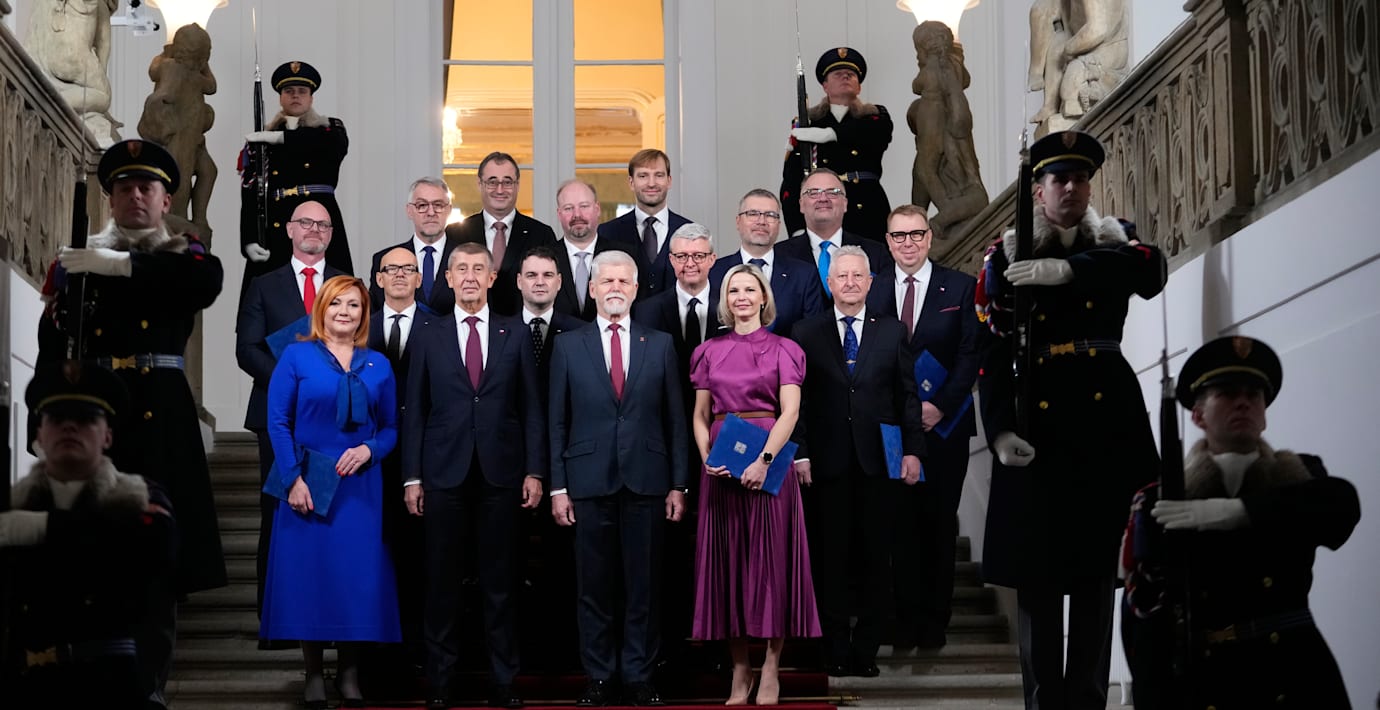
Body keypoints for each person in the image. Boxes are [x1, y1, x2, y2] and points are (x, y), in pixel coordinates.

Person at [974, 130, 1165, 709]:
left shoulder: (1115, 241)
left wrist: (1068, 271)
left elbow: (1150, 271)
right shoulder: (1006, 255)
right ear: (1038, 190)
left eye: (1081, 178)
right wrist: (999, 430)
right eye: (1059, 179)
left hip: (1105, 425)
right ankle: (1042, 702)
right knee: (1037, 581)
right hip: (1038, 422)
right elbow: (992, 353)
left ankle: (1087, 701)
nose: (1072, 188)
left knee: (1095, 579)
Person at [36, 138, 224, 708]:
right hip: (94, 431)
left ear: (166, 201)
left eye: (147, 187)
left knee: (155, 568)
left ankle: (148, 690)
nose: (136, 196)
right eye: (124, 188)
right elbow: (53, 352)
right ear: (111, 199)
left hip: (159, 425)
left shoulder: (184, 255)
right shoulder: (77, 265)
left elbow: (201, 283)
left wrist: (119, 264)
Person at [1121, 336, 1360, 709]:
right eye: (1227, 394)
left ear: (1264, 416)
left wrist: (1238, 511)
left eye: (1254, 395)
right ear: (1198, 415)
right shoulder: (1161, 499)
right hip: (1209, 678)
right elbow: (1143, 617)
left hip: (1293, 672)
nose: (1244, 402)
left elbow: (1341, 507)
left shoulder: (1300, 476)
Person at [402, 243, 546, 710]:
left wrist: (535, 470)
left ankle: (503, 680)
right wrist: (411, 477)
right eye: (460, 269)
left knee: (500, 584)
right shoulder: (427, 334)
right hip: (442, 474)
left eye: (478, 269)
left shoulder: (514, 331)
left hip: (501, 475)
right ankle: (440, 682)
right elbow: (415, 410)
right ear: (448, 278)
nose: (469, 276)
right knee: (441, 583)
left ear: (491, 278)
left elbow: (531, 408)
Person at [548, 250, 689, 707]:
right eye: (606, 281)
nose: (614, 288)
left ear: (635, 289)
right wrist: (558, 486)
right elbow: (557, 421)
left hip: (648, 480)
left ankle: (638, 676)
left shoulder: (660, 343)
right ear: (591, 289)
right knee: (593, 587)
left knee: (643, 586)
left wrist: (678, 484)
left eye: (623, 281)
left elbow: (675, 419)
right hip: (586, 482)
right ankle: (599, 676)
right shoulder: (569, 345)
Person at [1, 362, 176, 710]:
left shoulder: (142, 498)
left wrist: (40, 527)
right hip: (26, 689)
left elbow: (145, 547)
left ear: (107, 435)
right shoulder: (12, 505)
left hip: (110, 686)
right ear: (39, 435)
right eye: (56, 417)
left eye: (85, 418)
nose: (70, 426)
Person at [259, 275, 400, 709]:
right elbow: (278, 422)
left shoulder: (378, 364)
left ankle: (349, 673)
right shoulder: (297, 355)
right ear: (322, 309)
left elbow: (391, 427)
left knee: (356, 579)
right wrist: (292, 479)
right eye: (337, 303)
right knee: (311, 579)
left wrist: (370, 449)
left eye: (354, 305)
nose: (344, 311)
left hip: (360, 488)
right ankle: (314, 673)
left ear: (364, 314)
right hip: (308, 485)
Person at [689, 263, 821, 705]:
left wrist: (764, 461)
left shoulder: (785, 348)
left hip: (770, 461)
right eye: (733, 290)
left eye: (749, 289)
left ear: (763, 297)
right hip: (722, 468)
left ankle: (771, 668)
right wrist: (707, 459)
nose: (741, 297)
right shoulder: (708, 351)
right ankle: (740, 669)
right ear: (725, 300)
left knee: (771, 564)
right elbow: (700, 414)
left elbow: (790, 412)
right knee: (728, 566)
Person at [791, 246, 925, 677]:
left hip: (879, 462)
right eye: (841, 276)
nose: (849, 283)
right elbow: (796, 402)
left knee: (875, 558)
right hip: (824, 463)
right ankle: (834, 649)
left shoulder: (892, 331)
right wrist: (800, 451)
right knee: (829, 559)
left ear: (870, 282)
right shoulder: (805, 332)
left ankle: (866, 650)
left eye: (857, 276)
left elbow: (907, 396)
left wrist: (913, 450)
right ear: (829, 283)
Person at [865, 205, 985, 649]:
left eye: (916, 234)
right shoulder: (872, 289)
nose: (908, 243)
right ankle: (903, 622)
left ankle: (935, 623)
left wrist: (940, 407)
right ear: (888, 241)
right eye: (899, 236)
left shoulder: (961, 286)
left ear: (930, 238)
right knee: (898, 527)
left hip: (945, 428)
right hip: (891, 431)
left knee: (938, 525)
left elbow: (971, 354)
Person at [236, 200, 347, 621]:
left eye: (322, 224)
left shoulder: (346, 284)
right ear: (289, 230)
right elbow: (247, 349)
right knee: (279, 513)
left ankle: (328, 615)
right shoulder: (263, 285)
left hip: (335, 417)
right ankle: (274, 618)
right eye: (306, 223)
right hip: (277, 416)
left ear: (331, 234)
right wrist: (294, 384)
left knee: (332, 514)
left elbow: (361, 346)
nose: (314, 230)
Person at [367, 246, 435, 670]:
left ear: (418, 278)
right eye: (390, 269)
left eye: (407, 269)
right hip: (370, 460)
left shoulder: (439, 326)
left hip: (425, 459)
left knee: (419, 559)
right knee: (375, 556)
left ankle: (417, 651)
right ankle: (375, 655)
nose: (398, 275)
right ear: (378, 279)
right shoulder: (360, 327)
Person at [239, 60, 352, 295]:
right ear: (281, 98)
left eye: (302, 91)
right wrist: (249, 239)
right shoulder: (262, 140)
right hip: (277, 228)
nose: (295, 96)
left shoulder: (329, 129)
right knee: (270, 301)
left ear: (311, 98)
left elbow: (332, 145)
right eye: (289, 91)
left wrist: (280, 139)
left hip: (319, 223)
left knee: (331, 298)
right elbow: (251, 193)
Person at [780, 47, 893, 240]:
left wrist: (830, 134)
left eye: (851, 74)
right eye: (838, 74)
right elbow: (791, 182)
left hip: (867, 212)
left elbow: (879, 133)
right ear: (825, 86)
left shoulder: (874, 117)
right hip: (823, 212)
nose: (845, 77)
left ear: (859, 87)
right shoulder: (808, 123)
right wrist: (797, 228)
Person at [448, 152, 559, 316]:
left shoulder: (541, 234)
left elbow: (551, 288)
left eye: (507, 182)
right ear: (480, 184)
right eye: (492, 182)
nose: (500, 190)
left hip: (524, 327)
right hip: (469, 324)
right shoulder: (455, 234)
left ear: (517, 185)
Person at [708, 189, 824, 339]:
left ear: (779, 224)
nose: (761, 221)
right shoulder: (714, 272)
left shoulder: (804, 275)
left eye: (770, 215)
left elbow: (813, 336)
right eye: (753, 214)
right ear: (738, 221)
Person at [775, 168, 890, 310]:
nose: (823, 199)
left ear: (845, 204)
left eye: (832, 192)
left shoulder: (876, 253)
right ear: (801, 204)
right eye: (813, 193)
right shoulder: (779, 255)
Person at [597, 149, 692, 299]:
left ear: (669, 181)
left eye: (659, 175)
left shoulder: (689, 231)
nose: (651, 183)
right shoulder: (607, 232)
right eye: (643, 176)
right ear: (631, 182)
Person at [368, 177, 461, 315]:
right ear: (409, 211)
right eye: (422, 205)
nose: (431, 213)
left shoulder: (467, 259)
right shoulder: (384, 259)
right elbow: (377, 314)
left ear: (449, 210)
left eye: (438, 205)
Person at [550, 179, 639, 321]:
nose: (577, 215)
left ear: (597, 209)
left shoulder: (625, 256)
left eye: (584, 206)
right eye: (568, 208)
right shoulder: (545, 259)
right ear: (559, 214)